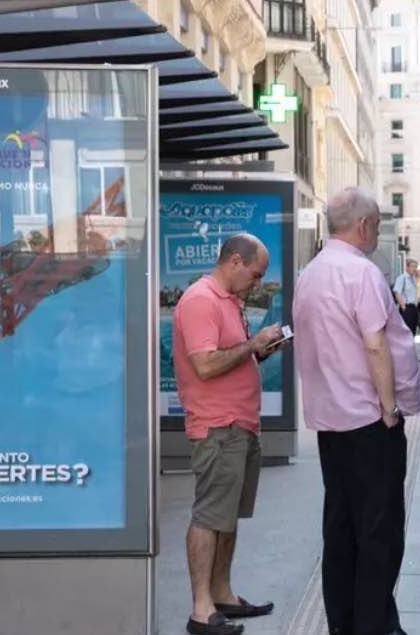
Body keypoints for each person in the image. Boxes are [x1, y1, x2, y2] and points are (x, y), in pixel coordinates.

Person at [293, 188, 420, 635]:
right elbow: (376, 345)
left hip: (329, 422)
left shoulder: (310, 274)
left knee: (340, 527)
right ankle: (374, 625)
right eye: (375, 224)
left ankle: (344, 623)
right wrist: (390, 409)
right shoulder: (362, 273)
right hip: (368, 422)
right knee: (379, 530)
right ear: (364, 225)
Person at [173, 233, 285, 635]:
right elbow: (204, 365)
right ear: (235, 261)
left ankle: (221, 593)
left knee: (226, 516)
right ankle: (201, 610)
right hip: (218, 425)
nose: (258, 282)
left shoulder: (229, 301)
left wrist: (259, 350)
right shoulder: (201, 300)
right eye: (255, 274)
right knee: (209, 515)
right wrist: (252, 344)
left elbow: (227, 355)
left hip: (239, 424)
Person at [392, 258, 420, 335]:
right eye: (412, 266)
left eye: (415, 267)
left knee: (413, 331)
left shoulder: (413, 279)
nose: (414, 269)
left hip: (413, 308)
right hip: (406, 308)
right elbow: (397, 292)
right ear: (407, 267)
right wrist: (403, 307)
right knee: (407, 332)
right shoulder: (402, 278)